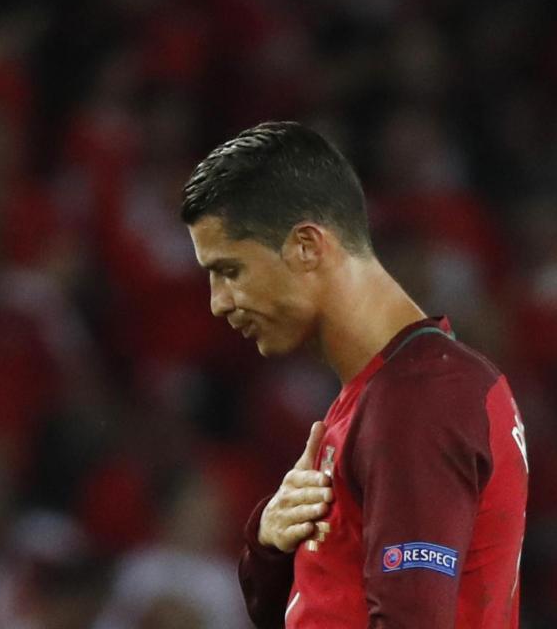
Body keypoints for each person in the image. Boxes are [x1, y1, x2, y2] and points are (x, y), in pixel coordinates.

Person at [180, 121, 528, 628]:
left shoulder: (422, 398)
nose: (217, 303)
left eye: (230, 270)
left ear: (306, 246)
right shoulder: (381, 393)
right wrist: (271, 546)